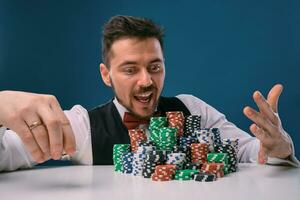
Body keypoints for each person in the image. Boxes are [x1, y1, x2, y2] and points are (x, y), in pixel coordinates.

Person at [0, 15, 298, 171]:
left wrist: (279, 148)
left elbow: (250, 153)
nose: (146, 81)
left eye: (154, 67)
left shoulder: (192, 109)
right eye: (130, 70)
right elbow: (6, 155)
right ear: (106, 74)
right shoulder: (81, 127)